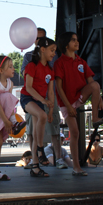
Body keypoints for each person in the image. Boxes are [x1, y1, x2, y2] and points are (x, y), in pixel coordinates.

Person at [54, 31, 103, 176]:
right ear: (66, 45)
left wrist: (101, 101)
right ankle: (76, 167)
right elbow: (58, 87)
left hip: (79, 97)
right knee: (75, 133)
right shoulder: (59, 63)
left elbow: (92, 84)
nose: (77, 42)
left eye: (77, 40)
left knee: (96, 85)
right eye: (73, 40)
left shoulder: (81, 62)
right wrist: (69, 106)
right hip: (66, 102)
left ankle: (95, 118)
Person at [21, 28, 63, 169]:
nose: (54, 53)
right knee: (40, 117)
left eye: (55, 51)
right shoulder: (31, 63)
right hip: (28, 97)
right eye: (52, 50)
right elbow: (29, 87)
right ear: (42, 49)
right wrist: (44, 101)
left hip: (41, 98)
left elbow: (51, 92)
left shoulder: (49, 70)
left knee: (45, 122)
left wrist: (50, 109)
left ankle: (36, 164)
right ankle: (39, 150)